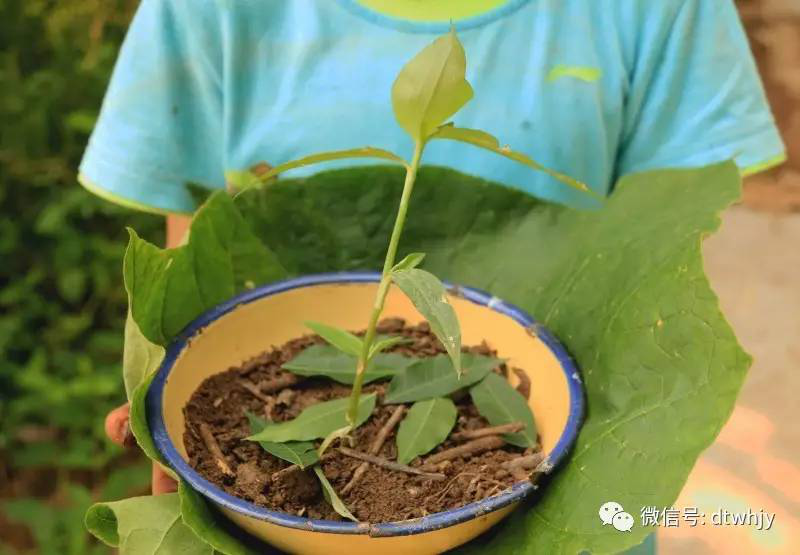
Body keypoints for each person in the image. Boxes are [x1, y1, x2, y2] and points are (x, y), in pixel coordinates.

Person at [89, 0, 783, 544]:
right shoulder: (204, 12)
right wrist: (164, 393)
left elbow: (661, 246)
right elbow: (191, 253)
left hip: (559, 463)